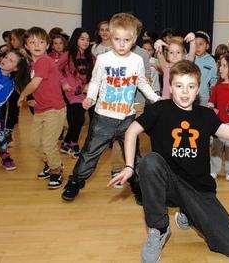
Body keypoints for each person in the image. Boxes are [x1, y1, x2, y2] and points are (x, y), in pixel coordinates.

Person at [107, 60, 229, 262]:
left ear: (198, 88)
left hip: (198, 189)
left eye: (190, 86)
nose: (185, 92)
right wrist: (130, 167)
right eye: (179, 86)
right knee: (149, 162)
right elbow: (131, 131)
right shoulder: (160, 109)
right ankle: (159, 229)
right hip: (168, 184)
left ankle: (189, 215)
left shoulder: (206, 115)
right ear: (171, 88)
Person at [60, 13, 160, 201]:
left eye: (127, 40)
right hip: (103, 119)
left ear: (134, 39)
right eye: (117, 39)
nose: (122, 44)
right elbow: (95, 81)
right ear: (110, 36)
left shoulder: (137, 60)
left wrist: (155, 98)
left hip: (127, 119)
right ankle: (75, 182)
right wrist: (90, 97)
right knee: (90, 154)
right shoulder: (104, 59)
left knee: (134, 156)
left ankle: (137, 186)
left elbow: (142, 83)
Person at [18, 27, 68, 189]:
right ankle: (49, 164)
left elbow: (34, 84)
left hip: (54, 109)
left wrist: (23, 95)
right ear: (26, 46)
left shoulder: (44, 60)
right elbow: (48, 82)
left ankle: (56, 170)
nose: (37, 45)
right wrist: (33, 99)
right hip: (41, 109)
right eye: (32, 42)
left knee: (48, 143)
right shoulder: (34, 64)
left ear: (47, 45)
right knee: (34, 143)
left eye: (41, 41)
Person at [58, 28, 94, 157]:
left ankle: (66, 142)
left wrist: (89, 85)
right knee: (79, 118)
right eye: (82, 39)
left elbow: (96, 74)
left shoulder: (91, 57)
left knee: (77, 120)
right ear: (76, 39)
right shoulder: (68, 54)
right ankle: (73, 144)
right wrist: (63, 82)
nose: (85, 42)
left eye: (88, 40)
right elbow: (56, 69)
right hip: (70, 92)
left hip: (84, 93)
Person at [153, 35, 195, 99]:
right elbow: (159, 53)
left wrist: (192, 41)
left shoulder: (185, 66)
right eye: (171, 52)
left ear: (184, 55)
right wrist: (158, 46)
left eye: (178, 52)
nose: (174, 55)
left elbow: (192, 54)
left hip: (181, 100)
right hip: (166, 100)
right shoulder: (166, 67)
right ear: (167, 55)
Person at [194, 31, 217, 105]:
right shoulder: (189, 58)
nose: (197, 47)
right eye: (195, 44)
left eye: (200, 44)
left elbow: (214, 78)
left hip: (204, 96)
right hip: (190, 94)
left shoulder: (211, 60)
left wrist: (212, 88)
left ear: (207, 46)